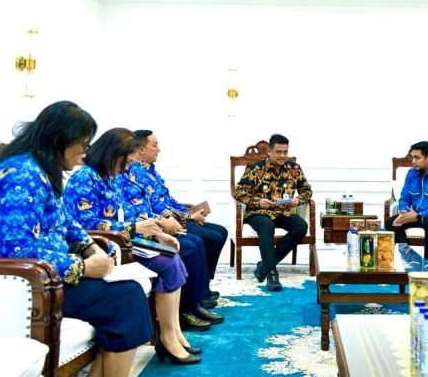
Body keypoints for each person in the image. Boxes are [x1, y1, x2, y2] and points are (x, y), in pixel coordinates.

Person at [0, 101, 152, 377]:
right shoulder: (23, 175)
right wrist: (82, 267)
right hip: (20, 284)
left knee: (126, 296)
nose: (84, 153)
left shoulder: (38, 169)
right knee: (126, 298)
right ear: (60, 140)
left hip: (45, 274)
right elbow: (17, 250)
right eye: (82, 144)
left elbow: (66, 222)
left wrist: (90, 248)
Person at [64, 128, 201, 365]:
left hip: (125, 239)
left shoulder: (110, 177)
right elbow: (84, 223)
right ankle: (167, 337)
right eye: (126, 162)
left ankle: (173, 333)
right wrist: (136, 228)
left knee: (173, 255)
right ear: (112, 154)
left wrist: (156, 232)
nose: (126, 169)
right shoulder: (85, 178)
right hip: (108, 246)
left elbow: (127, 213)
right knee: (167, 263)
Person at [120, 135, 224, 326]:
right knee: (193, 245)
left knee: (211, 237)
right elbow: (143, 210)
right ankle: (189, 306)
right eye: (155, 145)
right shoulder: (129, 173)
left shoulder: (144, 172)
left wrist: (186, 213)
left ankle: (197, 298)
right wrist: (184, 218)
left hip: (156, 225)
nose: (159, 149)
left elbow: (162, 202)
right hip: (137, 234)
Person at [232, 134, 312, 292]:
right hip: (258, 213)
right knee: (266, 224)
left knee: (301, 226)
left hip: (282, 211)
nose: (282, 156)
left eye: (285, 152)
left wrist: (298, 200)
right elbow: (239, 193)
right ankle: (272, 273)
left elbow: (307, 191)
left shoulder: (294, 169)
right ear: (269, 151)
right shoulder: (255, 169)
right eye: (278, 152)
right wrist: (258, 201)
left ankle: (264, 266)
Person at [385, 141, 428, 266]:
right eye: (412, 157)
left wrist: (419, 215)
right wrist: (403, 212)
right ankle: (409, 261)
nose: (413, 161)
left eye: (417, 158)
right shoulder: (411, 174)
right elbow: (404, 198)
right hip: (415, 215)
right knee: (391, 223)